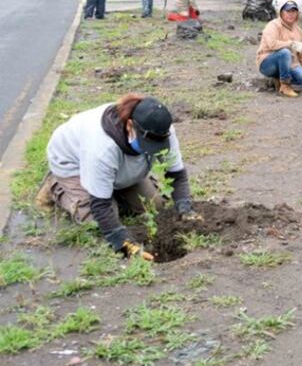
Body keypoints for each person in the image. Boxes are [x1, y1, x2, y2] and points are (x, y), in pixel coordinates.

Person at [35, 94, 202, 261]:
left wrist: (185, 208)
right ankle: (55, 185)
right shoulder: (101, 148)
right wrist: (122, 243)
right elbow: (100, 205)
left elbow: (176, 174)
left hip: (118, 166)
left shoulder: (162, 131)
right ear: (130, 125)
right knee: (95, 223)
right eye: (148, 145)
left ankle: (109, 187)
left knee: (155, 205)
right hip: (74, 165)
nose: (152, 149)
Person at [256, 0, 302, 98]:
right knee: (285, 53)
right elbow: (272, 44)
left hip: (288, 65)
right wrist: (291, 44)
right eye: (288, 11)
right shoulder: (273, 26)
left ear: (297, 14)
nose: (291, 14)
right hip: (267, 63)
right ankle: (285, 86)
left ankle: (276, 80)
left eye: (293, 11)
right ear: (281, 12)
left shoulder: (299, 32)